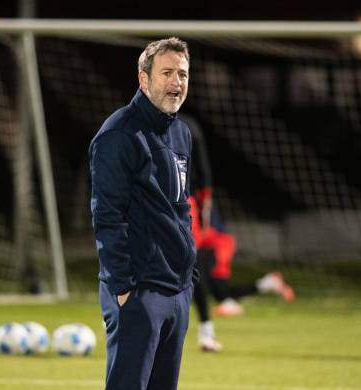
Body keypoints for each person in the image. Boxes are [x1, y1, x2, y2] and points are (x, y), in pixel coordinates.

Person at [89, 37, 197, 390]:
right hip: (139, 292)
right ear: (143, 79)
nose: (176, 82)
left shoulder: (181, 133)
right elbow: (108, 216)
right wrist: (123, 288)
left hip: (176, 291)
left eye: (182, 74)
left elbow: (182, 208)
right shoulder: (119, 134)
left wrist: (187, 279)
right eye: (166, 72)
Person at [180, 114, 295, 353]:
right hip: (186, 218)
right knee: (209, 285)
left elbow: (204, 174)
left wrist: (203, 213)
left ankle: (206, 332)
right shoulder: (152, 126)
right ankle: (267, 284)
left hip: (211, 236)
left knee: (208, 282)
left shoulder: (186, 127)